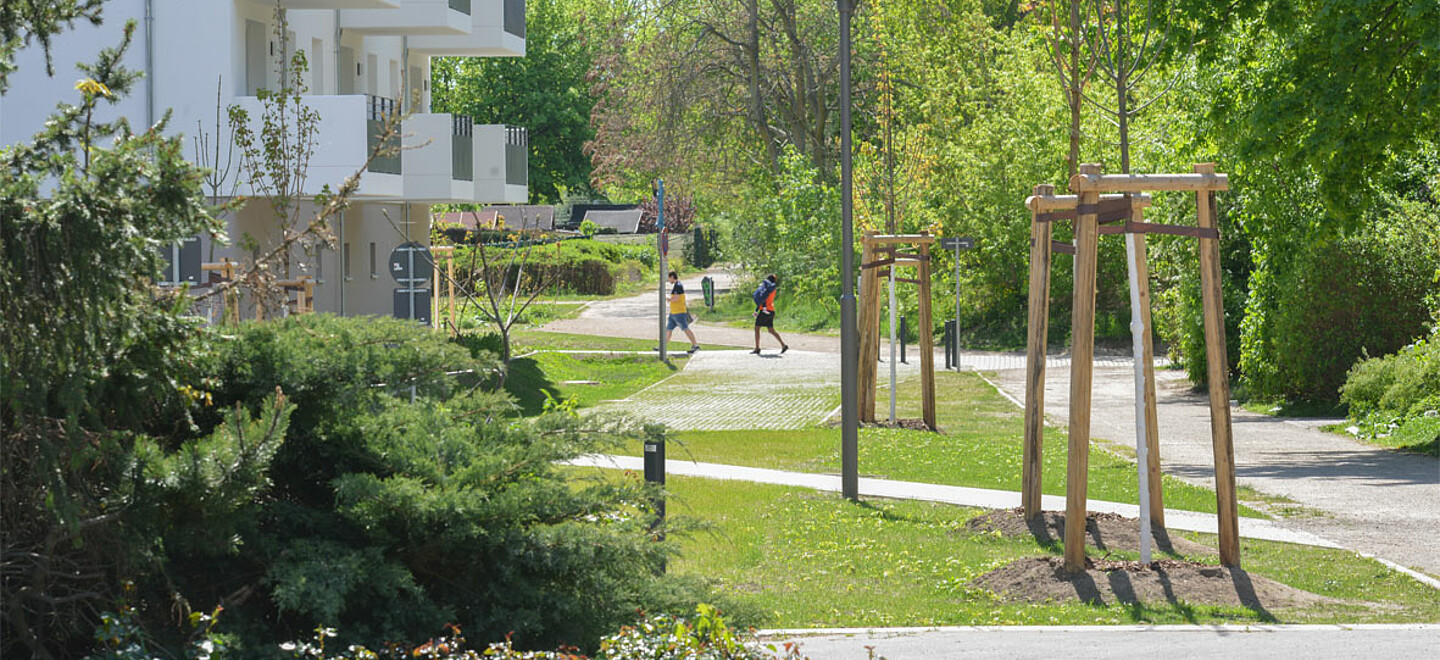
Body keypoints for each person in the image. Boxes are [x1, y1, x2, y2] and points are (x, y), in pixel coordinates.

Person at [751, 274, 788, 355]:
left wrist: (759, 309)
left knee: (757, 328)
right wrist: (757, 310)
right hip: (771, 310)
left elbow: (763, 298)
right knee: (771, 330)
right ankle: (783, 345)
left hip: (765, 311)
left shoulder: (766, 289)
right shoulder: (773, 290)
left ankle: (757, 348)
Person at [665, 271, 700, 354]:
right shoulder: (676, 285)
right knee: (668, 330)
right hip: (673, 313)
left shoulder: (678, 286)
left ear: (672, 277)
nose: (668, 280)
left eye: (669, 278)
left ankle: (695, 345)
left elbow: (676, 299)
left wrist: (668, 299)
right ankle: (662, 347)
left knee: (685, 329)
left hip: (679, 313)